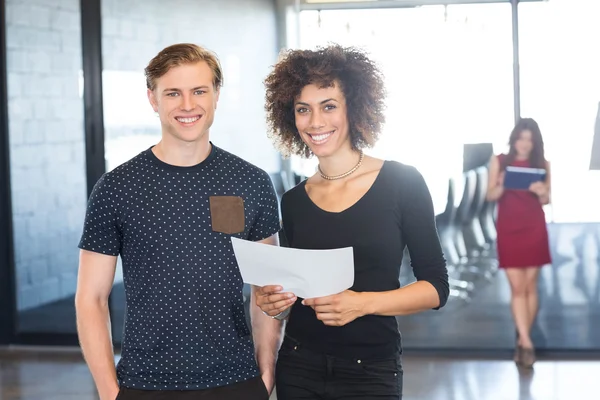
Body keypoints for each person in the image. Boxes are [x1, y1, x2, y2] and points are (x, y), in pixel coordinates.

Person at [75, 43, 283, 400]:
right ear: (153, 99)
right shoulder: (116, 187)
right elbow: (90, 298)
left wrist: (265, 375)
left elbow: (268, 292)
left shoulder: (250, 182)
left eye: (199, 91)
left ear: (216, 95)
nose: (188, 105)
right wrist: (110, 392)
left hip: (236, 380)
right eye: (173, 93)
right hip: (143, 384)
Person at [256, 45, 450, 400]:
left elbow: (436, 288)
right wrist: (276, 303)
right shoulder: (294, 200)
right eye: (303, 110)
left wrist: (360, 303)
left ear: (354, 108)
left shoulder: (402, 182)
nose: (315, 122)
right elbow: (298, 292)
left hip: (371, 369)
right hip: (299, 364)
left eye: (329, 106)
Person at [486, 117, 552, 368]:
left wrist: (540, 191)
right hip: (509, 228)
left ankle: (522, 343)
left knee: (529, 287)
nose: (524, 144)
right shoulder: (499, 161)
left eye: (529, 140)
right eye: (521, 138)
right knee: (517, 288)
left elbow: (547, 199)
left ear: (535, 143)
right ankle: (526, 341)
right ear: (514, 139)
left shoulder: (543, 164)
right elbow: (489, 195)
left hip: (534, 227)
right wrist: (502, 185)